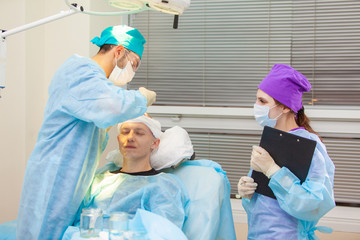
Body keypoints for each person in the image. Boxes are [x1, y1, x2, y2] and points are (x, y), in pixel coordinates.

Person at [16, 25, 156, 240]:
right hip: (53, 176)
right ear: (119, 52)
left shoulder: (94, 83)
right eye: (133, 64)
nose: (132, 71)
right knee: (42, 232)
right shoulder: (79, 71)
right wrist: (143, 98)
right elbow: (115, 105)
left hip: (70, 178)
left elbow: (96, 119)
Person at [237, 64, 335, 239]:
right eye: (257, 100)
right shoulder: (271, 139)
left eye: (262, 101)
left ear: (285, 107)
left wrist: (274, 173)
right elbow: (263, 207)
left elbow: (314, 203)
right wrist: (247, 192)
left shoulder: (309, 145)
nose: (256, 106)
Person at [63, 115, 190, 239]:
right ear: (119, 140)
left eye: (139, 133)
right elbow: (71, 218)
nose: (130, 138)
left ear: (155, 143)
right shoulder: (97, 180)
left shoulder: (163, 185)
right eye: (125, 132)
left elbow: (164, 232)